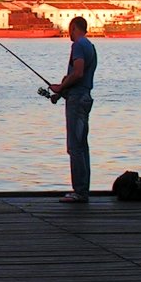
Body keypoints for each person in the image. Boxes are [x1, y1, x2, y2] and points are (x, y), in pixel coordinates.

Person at [49, 16, 97, 203]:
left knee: (75, 147)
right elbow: (79, 77)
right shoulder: (91, 46)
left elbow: (77, 73)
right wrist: (60, 93)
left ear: (74, 28)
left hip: (77, 100)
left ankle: (79, 192)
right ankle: (83, 189)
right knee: (82, 146)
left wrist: (60, 88)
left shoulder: (78, 45)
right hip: (83, 97)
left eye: (70, 29)